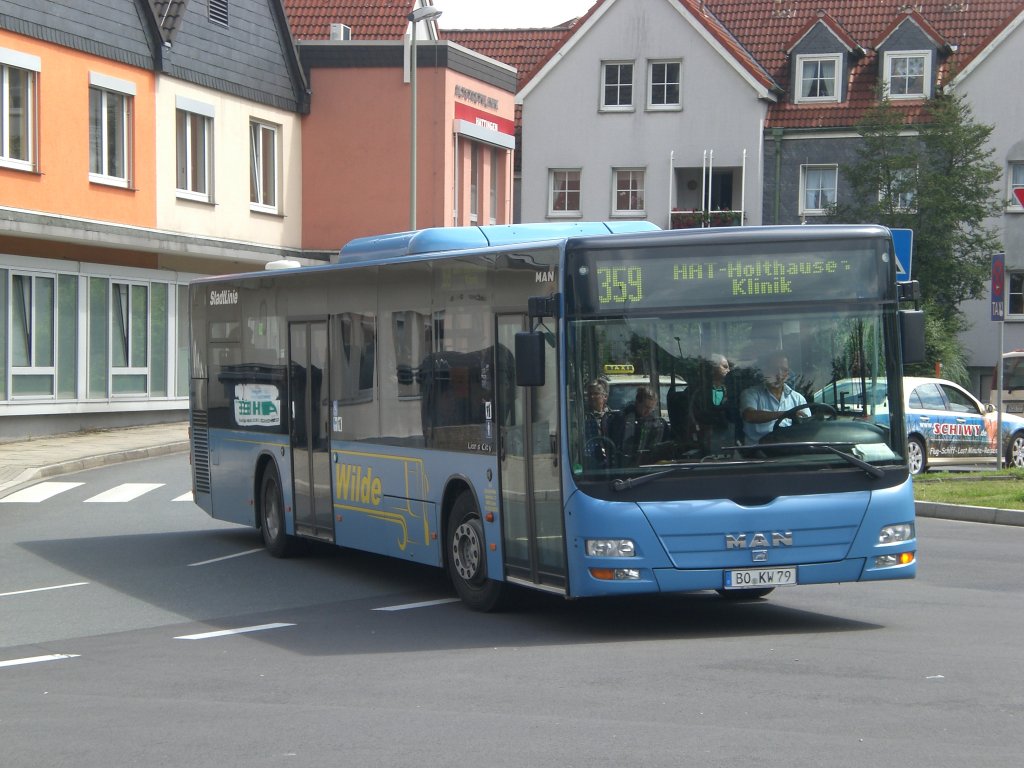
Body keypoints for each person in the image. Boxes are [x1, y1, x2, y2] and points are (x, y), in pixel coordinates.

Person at [740, 350, 809, 444]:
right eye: (774, 369)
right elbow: (749, 415)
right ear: (765, 371)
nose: (779, 375)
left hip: (791, 449)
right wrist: (785, 414)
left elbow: (808, 426)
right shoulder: (750, 394)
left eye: (784, 370)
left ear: (788, 373)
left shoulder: (798, 399)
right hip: (758, 450)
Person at [689, 353, 739, 454]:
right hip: (709, 436)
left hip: (729, 436)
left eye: (728, 367)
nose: (728, 370)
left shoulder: (730, 390)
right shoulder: (701, 392)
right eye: (724, 367)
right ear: (712, 369)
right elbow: (698, 415)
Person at [616, 385, 666, 464]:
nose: (648, 411)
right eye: (646, 407)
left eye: (651, 408)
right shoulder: (623, 419)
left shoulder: (656, 422)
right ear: (637, 402)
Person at [583, 378, 615, 467]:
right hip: (589, 460)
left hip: (609, 461)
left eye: (596, 394)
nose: (592, 397)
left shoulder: (612, 417)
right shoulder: (582, 416)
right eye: (590, 394)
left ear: (605, 397)